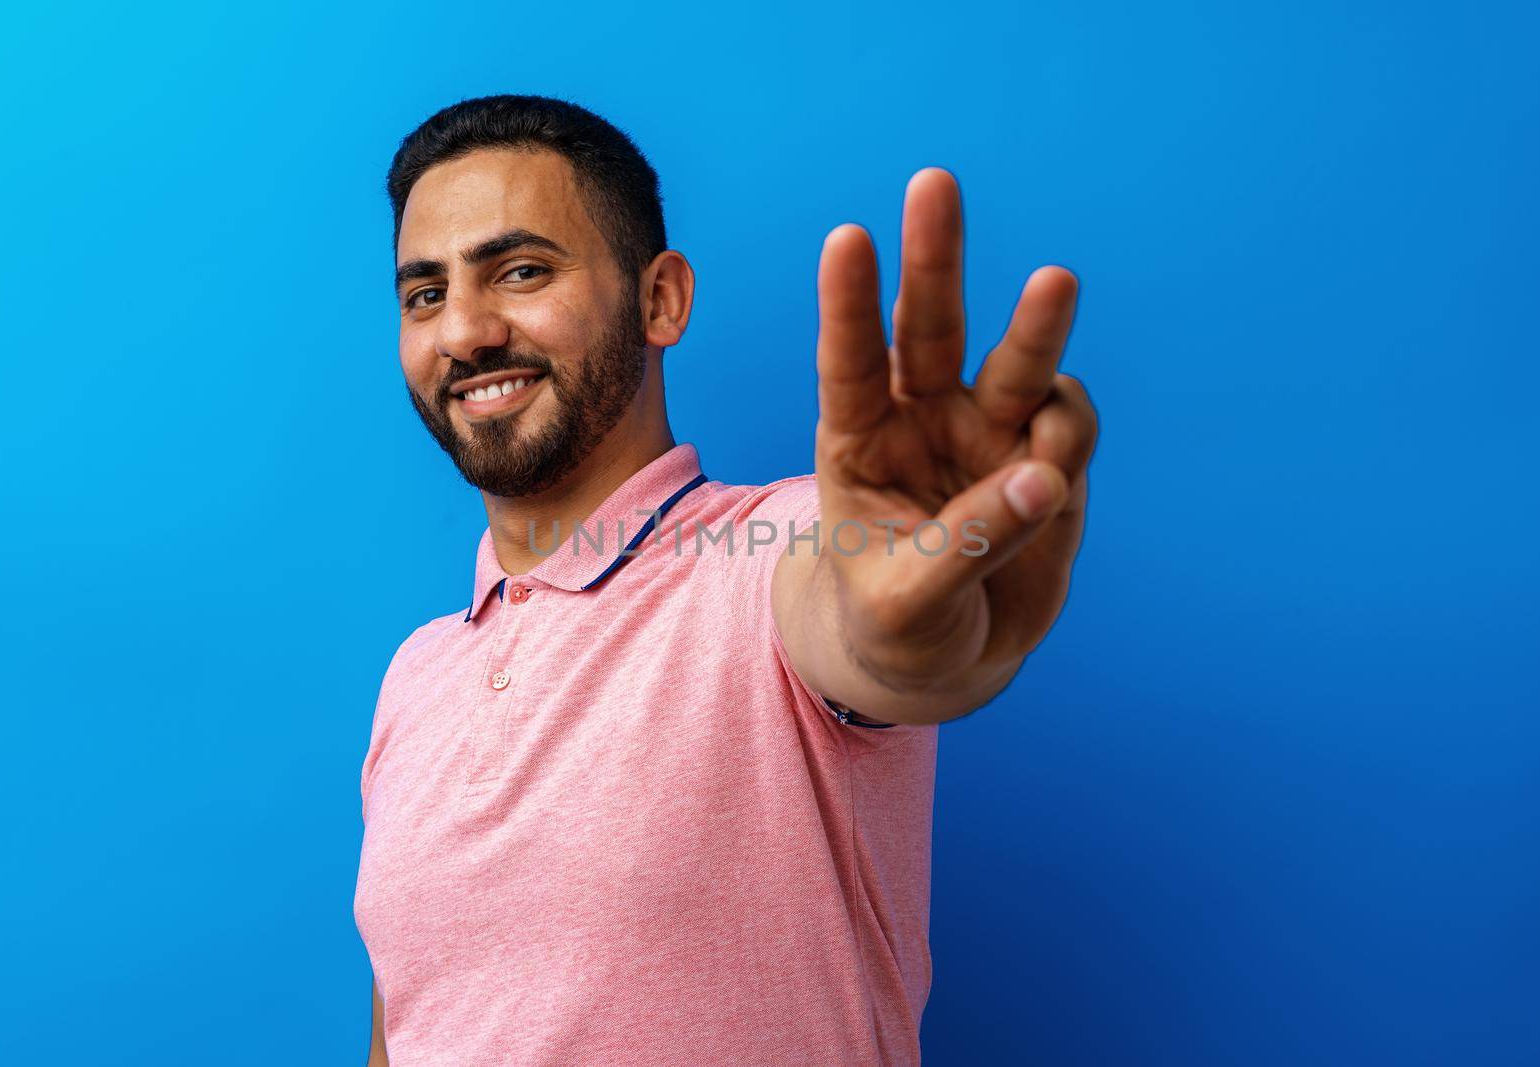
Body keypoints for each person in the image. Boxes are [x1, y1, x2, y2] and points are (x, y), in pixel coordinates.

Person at [353, 93, 1098, 1066]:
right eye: (425, 294)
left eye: (521, 270)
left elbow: (858, 621)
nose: (466, 331)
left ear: (660, 297)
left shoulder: (775, 554)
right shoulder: (416, 676)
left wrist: (904, 626)